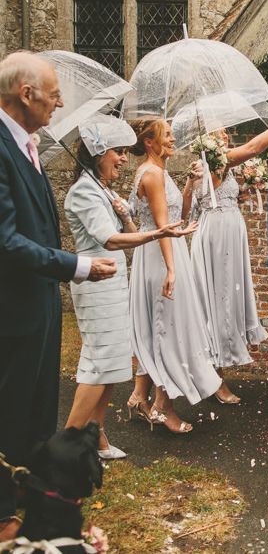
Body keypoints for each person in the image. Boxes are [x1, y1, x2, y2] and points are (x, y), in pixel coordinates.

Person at [0, 52, 116, 539]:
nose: (60, 101)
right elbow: (6, 241)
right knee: (9, 408)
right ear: (26, 94)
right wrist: (78, 265)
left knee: (36, 405)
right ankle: (4, 516)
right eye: (53, 92)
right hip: (13, 310)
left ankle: (29, 498)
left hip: (40, 306)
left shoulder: (27, 144)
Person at [64, 117, 196, 458]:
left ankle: (97, 436)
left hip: (111, 283)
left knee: (109, 367)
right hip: (94, 286)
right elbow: (108, 241)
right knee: (97, 367)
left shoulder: (101, 190)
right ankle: (67, 447)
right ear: (97, 154)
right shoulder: (83, 192)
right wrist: (158, 233)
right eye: (118, 152)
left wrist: (123, 214)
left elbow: (125, 232)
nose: (124, 158)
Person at [190, 98, 268, 403]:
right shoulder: (215, 162)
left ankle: (212, 375)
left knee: (224, 303)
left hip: (227, 235)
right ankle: (214, 380)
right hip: (217, 240)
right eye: (220, 133)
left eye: (226, 133)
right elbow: (254, 147)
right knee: (217, 304)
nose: (226, 136)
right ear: (208, 142)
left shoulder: (215, 165)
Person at [126, 118, 221, 434]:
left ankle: (142, 397)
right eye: (166, 135)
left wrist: (191, 183)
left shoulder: (158, 172)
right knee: (167, 328)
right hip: (160, 254)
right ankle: (161, 408)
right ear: (150, 143)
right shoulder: (151, 175)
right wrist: (170, 269)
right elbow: (164, 228)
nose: (172, 138)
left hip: (163, 249)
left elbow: (177, 217)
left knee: (162, 326)